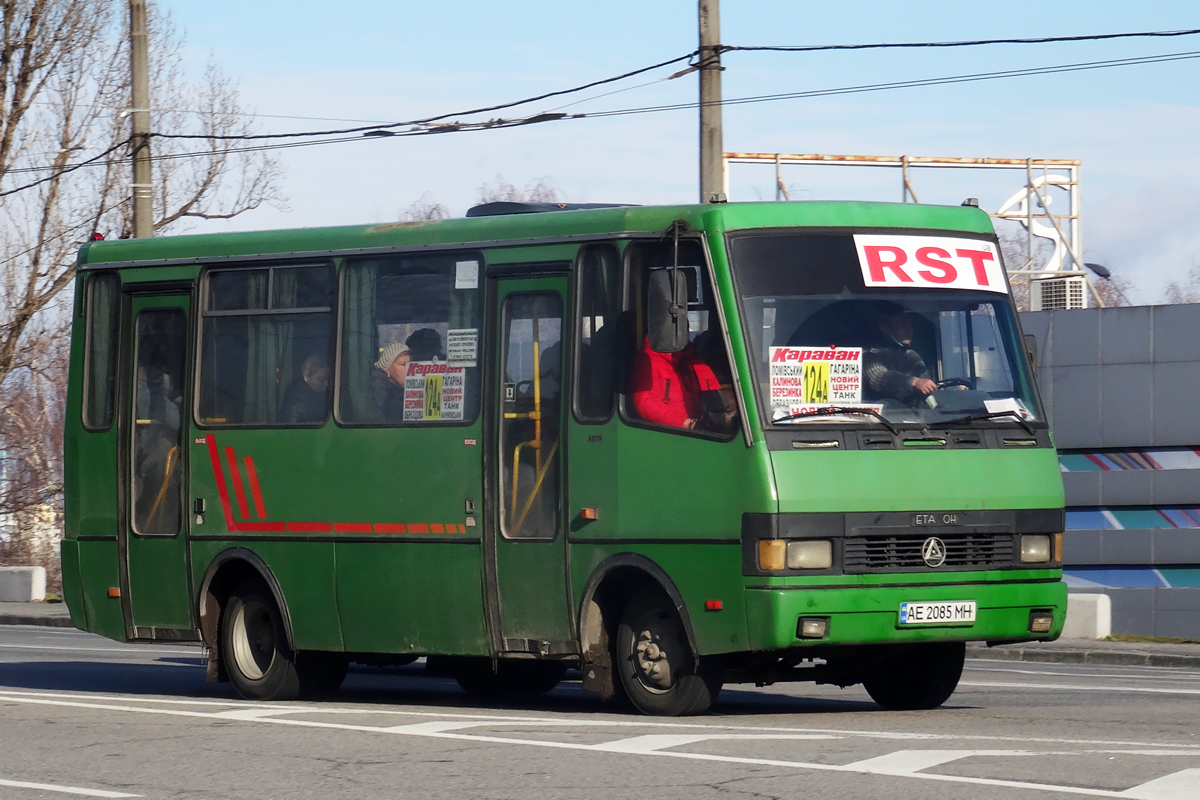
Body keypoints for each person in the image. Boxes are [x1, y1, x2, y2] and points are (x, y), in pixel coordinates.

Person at [629, 334, 721, 429]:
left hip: (697, 428)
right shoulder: (648, 360)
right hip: (671, 433)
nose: (683, 330)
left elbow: (711, 391)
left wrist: (722, 411)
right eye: (677, 322)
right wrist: (683, 423)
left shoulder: (690, 357)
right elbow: (644, 402)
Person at [863, 306, 937, 404]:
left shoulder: (912, 356)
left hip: (914, 415)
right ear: (885, 328)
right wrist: (914, 382)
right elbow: (878, 378)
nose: (909, 330)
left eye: (909, 324)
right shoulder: (870, 354)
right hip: (880, 416)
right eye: (901, 325)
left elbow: (924, 382)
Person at [279, 354, 330, 423]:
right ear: (306, 377)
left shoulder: (326, 395)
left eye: (329, 379)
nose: (327, 384)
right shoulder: (296, 397)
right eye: (321, 380)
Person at [371, 342, 411, 420]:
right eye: (404, 364)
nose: (409, 369)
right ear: (387, 369)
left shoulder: (399, 388)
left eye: (411, 364)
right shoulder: (380, 391)